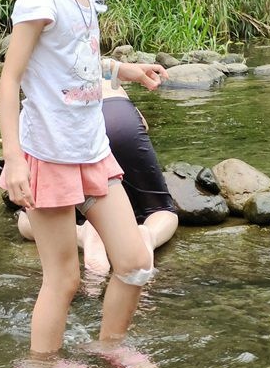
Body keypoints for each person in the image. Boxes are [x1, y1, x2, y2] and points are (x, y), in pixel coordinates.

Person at [0, 0, 169, 368]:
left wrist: (126, 70)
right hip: (49, 157)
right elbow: (10, 82)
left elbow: (77, 62)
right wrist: (12, 160)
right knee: (64, 279)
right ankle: (42, 365)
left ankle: (108, 346)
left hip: (92, 153)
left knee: (135, 261)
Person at [16, 79, 179, 274]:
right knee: (161, 209)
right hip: (119, 116)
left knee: (28, 218)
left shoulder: (34, 82)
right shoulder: (99, 69)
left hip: (61, 127)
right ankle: (147, 235)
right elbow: (142, 124)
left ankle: (82, 233)